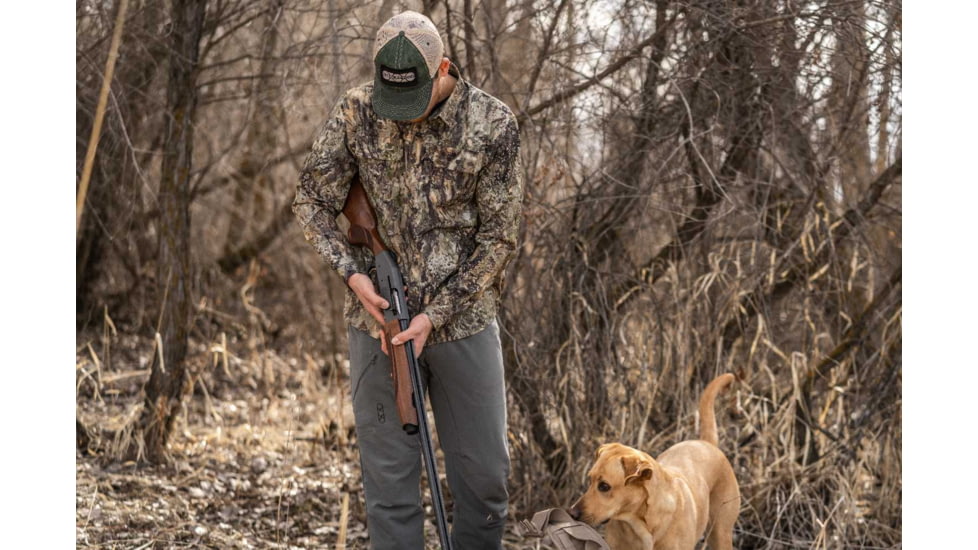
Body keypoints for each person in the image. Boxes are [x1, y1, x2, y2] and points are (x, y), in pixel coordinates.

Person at [292, 10, 523, 550]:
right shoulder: (355, 111)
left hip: (461, 323)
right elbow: (310, 201)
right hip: (378, 328)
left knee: (485, 485)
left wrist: (434, 315)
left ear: (442, 68)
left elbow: (499, 240)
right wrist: (353, 276)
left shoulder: (492, 125)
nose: (402, 115)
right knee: (390, 493)